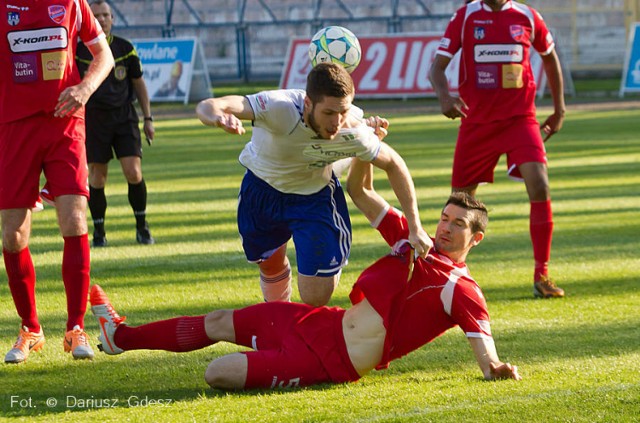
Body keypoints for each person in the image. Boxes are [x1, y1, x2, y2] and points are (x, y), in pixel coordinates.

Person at [89, 160, 521, 390]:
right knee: (219, 320)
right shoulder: (413, 240)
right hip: (319, 322)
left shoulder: (460, 288)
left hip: (329, 361)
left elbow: (484, 348)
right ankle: (119, 337)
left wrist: (496, 367)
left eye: (458, 224)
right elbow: (361, 192)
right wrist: (370, 147)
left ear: (476, 238)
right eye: (445, 218)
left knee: (216, 373)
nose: (445, 227)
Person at [195, 62, 431, 307]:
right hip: (261, 190)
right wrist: (218, 118)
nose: (336, 121)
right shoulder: (278, 106)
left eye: (343, 111)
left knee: (315, 296)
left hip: (314, 198)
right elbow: (208, 105)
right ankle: (278, 326)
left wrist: (416, 228)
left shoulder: (353, 131)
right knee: (270, 265)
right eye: (329, 113)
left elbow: (395, 164)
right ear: (308, 103)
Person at [1, 0, 114, 363]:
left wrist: (84, 89)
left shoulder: (72, 3)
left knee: (74, 219)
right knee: (12, 234)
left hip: (65, 121)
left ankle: (75, 327)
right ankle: (30, 329)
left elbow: (104, 56)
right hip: (13, 126)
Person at [429, 0, 566, 298]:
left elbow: (550, 57)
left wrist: (559, 109)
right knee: (460, 202)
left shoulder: (528, 16)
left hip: (521, 120)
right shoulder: (465, 16)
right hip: (476, 122)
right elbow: (437, 68)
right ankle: (443, 274)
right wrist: (444, 97)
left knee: (540, 186)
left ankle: (542, 275)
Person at [76, 0, 156, 247]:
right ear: (88, 20)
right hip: (94, 120)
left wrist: (148, 118)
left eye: (106, 15)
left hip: (124, 118)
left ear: (113, 18)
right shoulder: (77, 51)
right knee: (97, 178)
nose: (102, 20)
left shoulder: (125, 48)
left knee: (133, 172)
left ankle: (142, 228)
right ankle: (99, 233)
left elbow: (139, 84)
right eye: (97, 16)